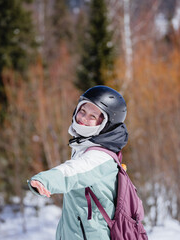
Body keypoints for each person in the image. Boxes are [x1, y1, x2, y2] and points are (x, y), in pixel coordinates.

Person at [28, 85, 128, 240]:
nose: (83, 119)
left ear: (106, 125)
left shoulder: (99, 158)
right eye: (82, 111)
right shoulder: (85, 146)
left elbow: (72, 172)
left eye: (92, 117)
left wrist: (45, 180)